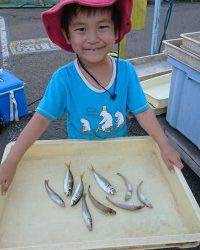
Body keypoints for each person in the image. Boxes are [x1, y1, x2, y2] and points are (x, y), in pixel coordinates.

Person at [0, 0, 183, 195]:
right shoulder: (64, 79)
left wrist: (164, 144)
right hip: (81, 156)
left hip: (119, 153)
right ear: (66, 34)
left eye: (102, 27)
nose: (93, 38)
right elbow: (39, 120)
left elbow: (143, 112)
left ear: (116, 31)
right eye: (81, 29)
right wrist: (12, 159)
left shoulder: (127, 72)